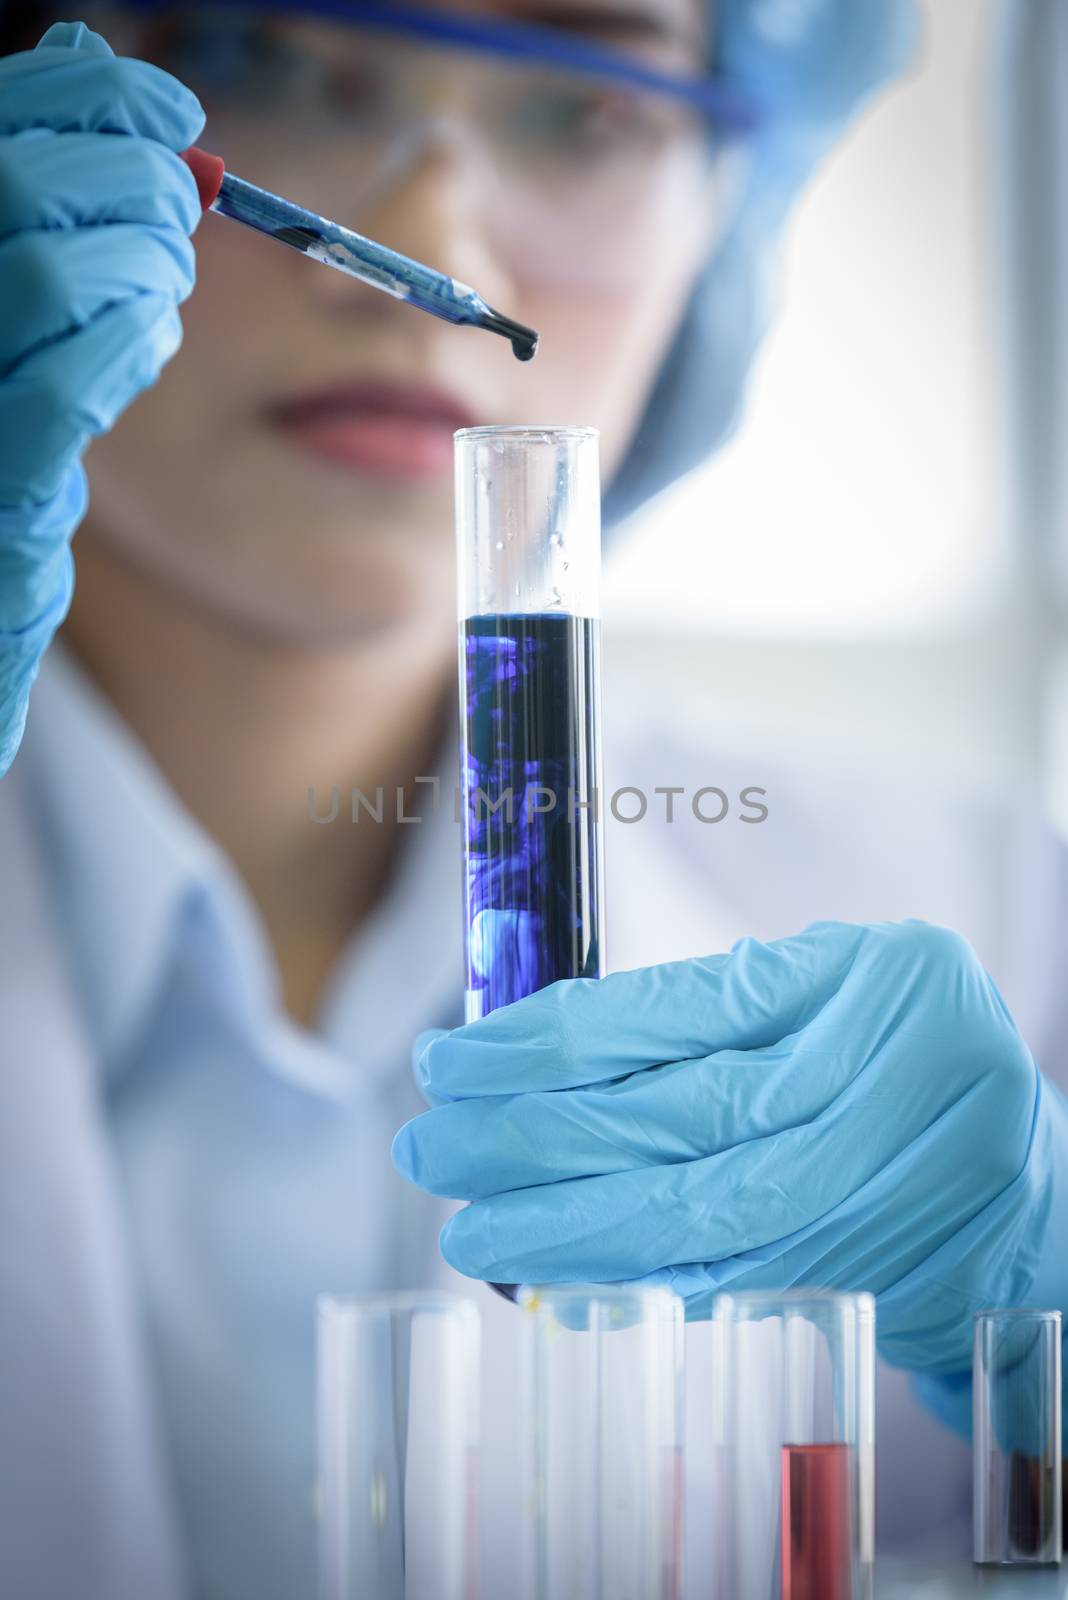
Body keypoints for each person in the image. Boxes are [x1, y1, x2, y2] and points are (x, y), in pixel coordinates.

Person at [0, 5, 1064, 1599]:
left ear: (725, 195)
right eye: (269, 52)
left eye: (588, 108)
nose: (427, 238)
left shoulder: (1006, 924)